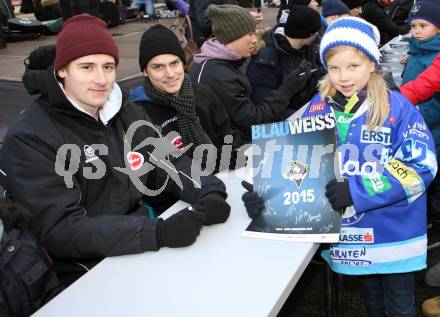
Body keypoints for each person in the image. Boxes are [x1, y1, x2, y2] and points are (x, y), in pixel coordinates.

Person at [0, 14, 231, 286]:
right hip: (85, 272)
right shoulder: (30, 137)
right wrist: (156, 233)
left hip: (140, 243)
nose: (101, 79)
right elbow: (61, 229)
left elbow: (167, 161)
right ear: (62, 70)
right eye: (87, 67)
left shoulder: (123, 111)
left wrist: (207, 189)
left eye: (108, 67)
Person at [244, 16, 437, 316]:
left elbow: (421, 166)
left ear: (372, 63)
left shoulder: (398, 108)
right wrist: (266, 196)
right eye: (334, 67)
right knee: (372, 304)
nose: (343, 76)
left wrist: (358, 191)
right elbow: (289, 160)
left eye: (353, 66)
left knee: (399, 309)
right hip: (349, 237)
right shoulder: (316, 106)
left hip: (394, 235)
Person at [131, 24, 247, 171]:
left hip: (223, 175)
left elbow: (227, 135)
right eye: (158, 67)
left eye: (174, 63)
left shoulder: (202, 92)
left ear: (183, 63)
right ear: (145, 72)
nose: (170, 74)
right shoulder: (138, 113)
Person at [189, 4, 313, 139]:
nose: (255, 40)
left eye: (254, 32)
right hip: (231, 150)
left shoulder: (222, 62)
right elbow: (253, 124)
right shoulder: (220, 76)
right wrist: (288, 88)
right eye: (250, 34)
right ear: (232, 36)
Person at [246, 5, 324, 115]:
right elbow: (262, 106)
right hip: (287, 123)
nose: (317, 35)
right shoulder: (265, 61)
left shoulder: (310, 48)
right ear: (310, 34)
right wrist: (301, 119)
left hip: (309, 113)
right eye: (315, 32)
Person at [189, 0, 262, 47]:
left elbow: (231, 10)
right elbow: (206, 23)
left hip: (225, 43)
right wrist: (243, 18)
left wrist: (246, 16)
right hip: (212, 46)